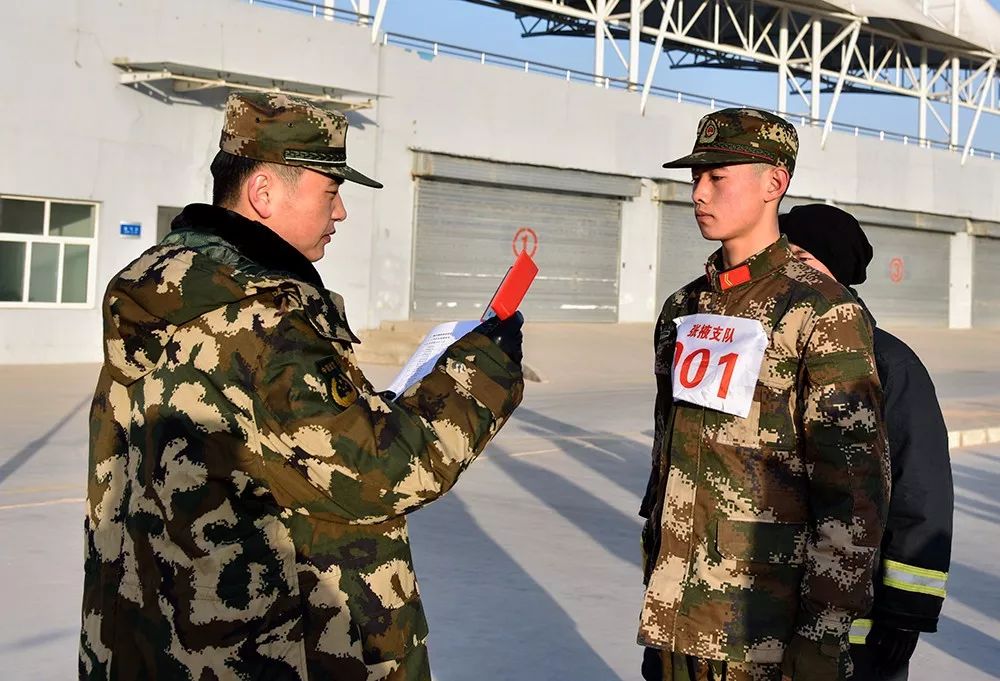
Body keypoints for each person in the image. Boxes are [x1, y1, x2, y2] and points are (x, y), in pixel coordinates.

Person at [79, 92, 525, 681]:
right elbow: (387, 472)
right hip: (272, 651)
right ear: (263, 193)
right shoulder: (268, 321)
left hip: (153, 643)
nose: (339, 214)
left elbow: (280, 446)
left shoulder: (162, 292)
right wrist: (483, 370)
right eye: (330, 192)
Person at [638, 108, 890, 681]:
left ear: (774, 183)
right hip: (675, 612)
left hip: (763, 625)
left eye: (717, 176)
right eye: (695, 177)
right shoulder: (684, 309)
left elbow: (854, 488)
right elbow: (670, 456)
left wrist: (824, 634)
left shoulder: (822, 311)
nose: (699, 192)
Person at [780, 204, 953, 681]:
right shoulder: (762, 349)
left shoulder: (888, 363)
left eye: (804, 259)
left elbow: (920, 492)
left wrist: (907, 611)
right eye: (783, 256)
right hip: (757, 615)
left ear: (836, 275)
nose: (790, 273)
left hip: (852, 631)